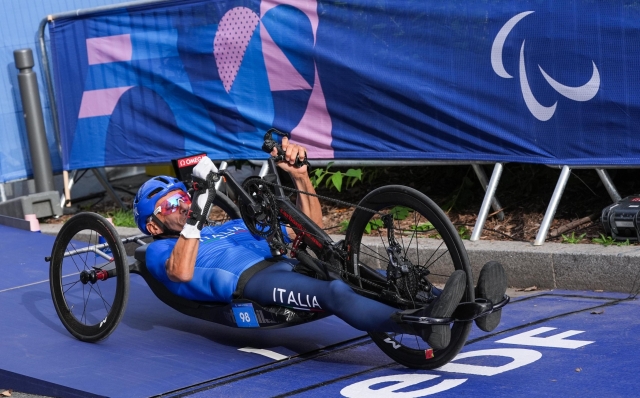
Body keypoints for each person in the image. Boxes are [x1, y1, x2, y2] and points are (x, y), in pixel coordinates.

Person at [133, 138, 507, 349]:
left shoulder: (228, 224)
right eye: (171, 205)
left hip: (287, 262)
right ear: (152, 224)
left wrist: (300, 177)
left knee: (367, 273)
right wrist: (197, 216)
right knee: (335, 292)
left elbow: (303, 230)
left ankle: (468, 301)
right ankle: (421, 326)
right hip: (254, 282)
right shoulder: (158, 250)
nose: (183, 206)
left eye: (184, 197)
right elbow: (181, 273)